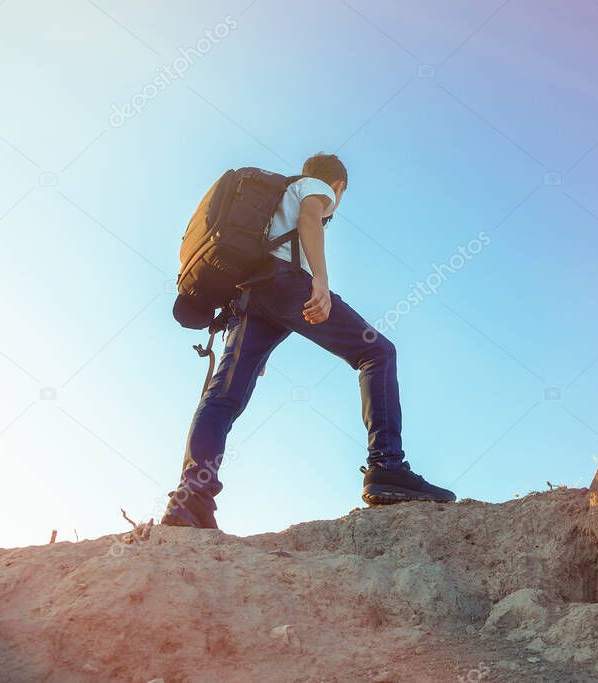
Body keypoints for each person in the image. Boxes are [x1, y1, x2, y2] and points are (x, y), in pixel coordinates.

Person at [161, 153, 456, 529]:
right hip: (287, 284)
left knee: (223, 396)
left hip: (250, 294)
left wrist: (260, 345)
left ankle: (191, 500)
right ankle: (387, 466)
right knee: (377, 352)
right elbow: (309, 220)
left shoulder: (278, 196)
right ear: (339, 186)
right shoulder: (316, 187)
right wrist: (320, 279)